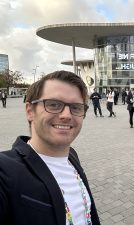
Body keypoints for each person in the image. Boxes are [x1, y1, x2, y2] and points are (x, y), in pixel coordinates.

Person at [0, 71, 101, 225]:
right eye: (53, 104)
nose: (67, 115)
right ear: (30, 111)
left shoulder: (72, 157)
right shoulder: (5, 170)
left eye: (76, 107)